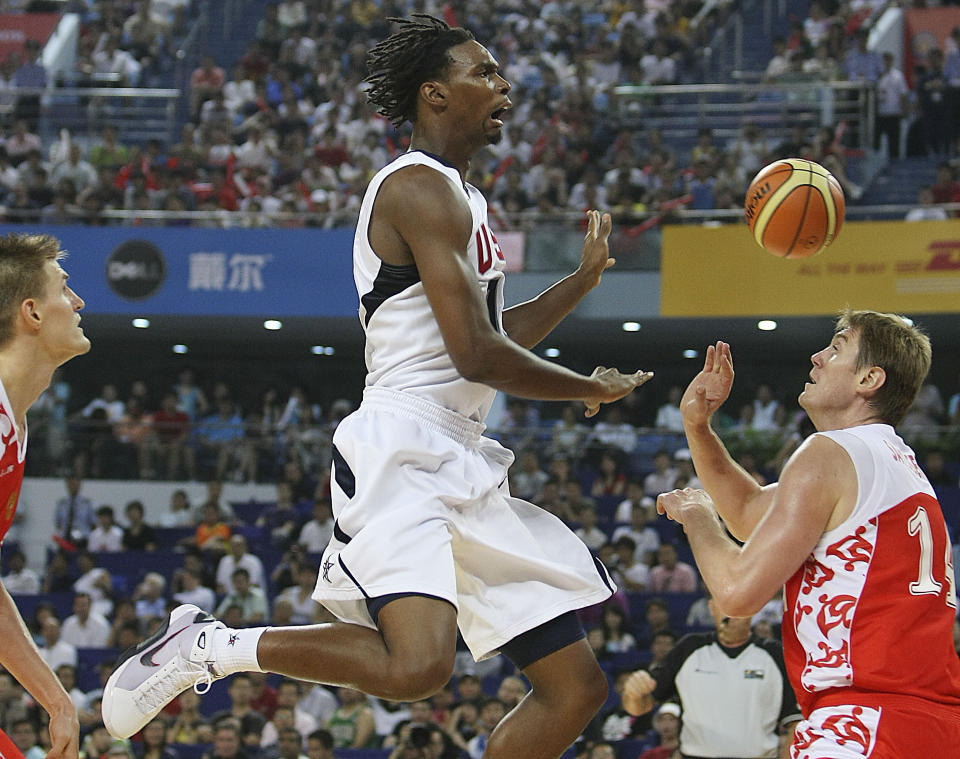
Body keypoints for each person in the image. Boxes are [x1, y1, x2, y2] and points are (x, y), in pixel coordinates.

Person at [102, 16, 653, 758]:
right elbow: (477, 355)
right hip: (404, 441)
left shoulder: (464, 197)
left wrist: (580, 283)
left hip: (458, 447)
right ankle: (211, 645)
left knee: (575, 686)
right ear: (434, 93)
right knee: (417, 664)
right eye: (483, 73)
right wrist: (584, 385)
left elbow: (491, 335)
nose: (503, 86)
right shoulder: (418, 189)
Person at [626, 311, 960, 756]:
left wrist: (697, 516)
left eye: (837, 349)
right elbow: (749, 515)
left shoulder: (831, 452)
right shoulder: (891, 460)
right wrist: (697, 426)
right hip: (928, 724)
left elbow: (737, 593)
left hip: (861, 724)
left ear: (869, 379)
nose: (817, 357)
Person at [0, 232, 90, 759]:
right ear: (32, 313)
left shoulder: (15, 422)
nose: (78, 302)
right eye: (65, 288)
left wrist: (55, 699)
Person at [623, 592, 800, 758]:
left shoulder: (774, 654)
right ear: (711, 607)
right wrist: (633, 694)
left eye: (739, 604)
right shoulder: (689, 648)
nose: (730, 611)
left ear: (753, 609)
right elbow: (639, 707)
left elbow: (797, 723)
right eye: (723, 603)